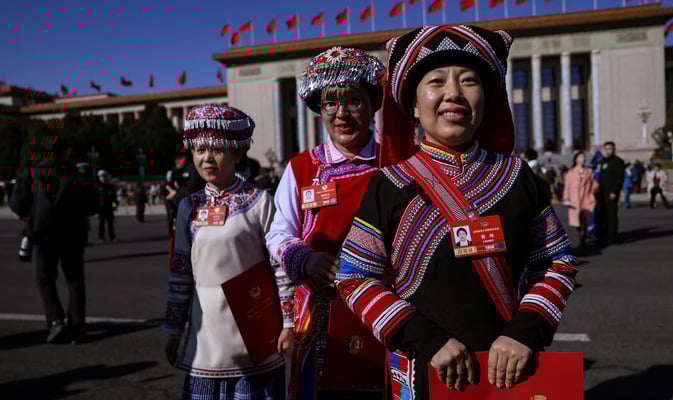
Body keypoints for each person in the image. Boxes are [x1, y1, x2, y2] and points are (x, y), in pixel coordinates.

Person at [335, 25, 579, 398]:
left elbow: (557, 262)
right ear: (413, 105)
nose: (453, 93)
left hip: (510, 372)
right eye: (436, 81)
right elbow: (354, 277)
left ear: (488, 98)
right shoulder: (389, 184)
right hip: (423, 372)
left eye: (468, 81)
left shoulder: (515, 176)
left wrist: (526, 331)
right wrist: (424, 338)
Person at [265, 47, 386, 400]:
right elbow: (278, 232)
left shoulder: (394, 163)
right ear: (319, 110)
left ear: (373, 104)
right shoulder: (302, 168)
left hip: (384, 308)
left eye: (353, 101)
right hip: (320, 314)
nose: (342, 114)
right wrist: (307, 259)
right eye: (331, 104)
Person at [163, 104, 289, 399]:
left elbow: (279, 268)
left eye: (217, 149)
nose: (207, 158)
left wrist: (289, 322)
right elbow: (180, 272)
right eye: (199, 150)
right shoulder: (187, 206)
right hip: (204, 336)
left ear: (237, 153)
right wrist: (172, 329)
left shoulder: (260, 202)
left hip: (253, 335)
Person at [10, 136, 98, 343]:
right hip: (73, 233)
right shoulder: (74, 173)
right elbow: (92, 204)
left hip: (43, 233)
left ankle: (56, 321)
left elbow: (18, 205)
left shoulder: (32, 174)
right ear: (65, 152)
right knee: (75, 281)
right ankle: (77, 328)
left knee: (45, 279)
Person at [564, 151, 597, 248]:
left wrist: (595, 188)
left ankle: (582, 238)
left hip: (586, 198)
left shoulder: (589, 171)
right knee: (576, 221)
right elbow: (567, 186)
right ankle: (580, 234)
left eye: (584, 157)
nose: (583, 159)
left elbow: (593, 183)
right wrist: (566, 197)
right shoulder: (570, 172)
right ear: (576, 159)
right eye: (581, 157)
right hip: (575, 199)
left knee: (585, 218)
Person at [597, 141, 625, 244]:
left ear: (614, 149)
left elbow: (619, 179)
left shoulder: (618, 162)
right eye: (606, 149)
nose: (608, 151)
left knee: (611, 215)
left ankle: (612, 237)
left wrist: (614, 191)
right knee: (603, 215)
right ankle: (604, 235)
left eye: (610, 149)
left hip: (611, 193)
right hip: (601, 193)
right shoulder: (603, 161)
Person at [96, 169, 117, 243]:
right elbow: (95, 198)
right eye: (101, 176)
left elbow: (114, 198)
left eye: (104, 176)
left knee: (110, 224)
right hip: (101, 208)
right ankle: (101, 238)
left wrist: (115, 205)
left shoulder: (110, 186)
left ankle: (112, 237)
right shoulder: (97, 187)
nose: (103, 178)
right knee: (101, 223)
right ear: (99, 177)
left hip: (109, 208)